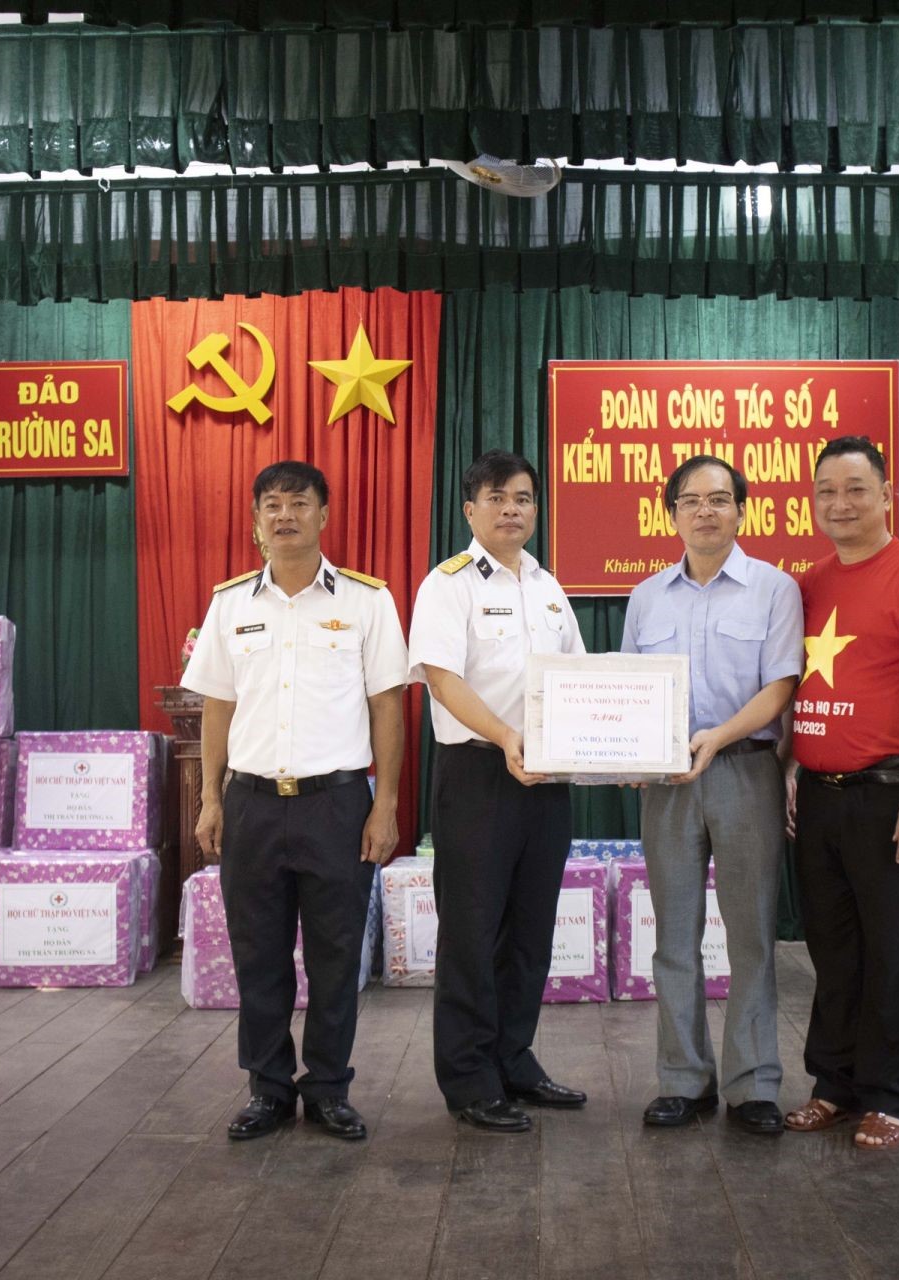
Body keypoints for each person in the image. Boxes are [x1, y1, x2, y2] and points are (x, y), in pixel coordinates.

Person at [182, 460, 407, 1143]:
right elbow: (216, 708)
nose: (285, 515)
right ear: (256, 522)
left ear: (323, 516)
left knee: (338, 956)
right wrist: (210, 798)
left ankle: (330, 1088)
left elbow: (387, 707)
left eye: (299, 503)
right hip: (249, 802)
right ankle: (269, 1088)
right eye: (272, 505)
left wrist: (386, 803)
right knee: (259, 954)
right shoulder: (231, 605)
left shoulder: (366, 602)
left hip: (337, 804)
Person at [783, 435, 899, 1152]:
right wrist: (795, 770)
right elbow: (798, 687)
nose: (840, 503)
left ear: (887, 494)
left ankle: (888, 1098)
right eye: (826, 489)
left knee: (894, 953)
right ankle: (833, 1087)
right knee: (832, 952)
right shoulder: (810, 583)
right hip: (820, 801)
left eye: (856, 488)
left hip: (893, 797)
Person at [406, 449, 587, 1133]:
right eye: (497, 497)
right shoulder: (447, 585)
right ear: (469, 509)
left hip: (545, 781)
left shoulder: (548, 586)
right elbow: (442, 679)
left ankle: (515, 1058)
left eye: (524, 498)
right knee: (472, 935)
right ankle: (469, 1077)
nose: (512, 509)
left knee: (530, 933)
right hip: (479, 774)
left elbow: (578, 680)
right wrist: (508, 737)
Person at [621, 456, 803, 1135]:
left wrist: (716, 738)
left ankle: (753, 1084)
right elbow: (632, 693)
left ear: (741, 511)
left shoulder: (774, 589)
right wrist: (637, 748)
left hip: (744, 772)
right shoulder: (646, 597)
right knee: (674, 937)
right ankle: (683, 1080)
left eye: (720, 499)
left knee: (753, 935)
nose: (706, 511)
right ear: (670, 513)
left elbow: (780, 686)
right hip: (667, 782)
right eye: (691, 500)